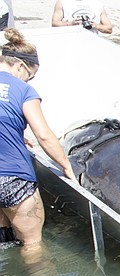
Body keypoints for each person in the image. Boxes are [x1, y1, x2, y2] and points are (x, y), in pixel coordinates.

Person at [0, 28, 75, 251]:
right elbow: (43, 135)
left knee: (3, 241)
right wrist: (66, 165)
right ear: (20, 66)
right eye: (31, 75)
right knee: (32, 246)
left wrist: (14, 132)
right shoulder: (23, 90)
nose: (30, 80)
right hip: (13, 178)